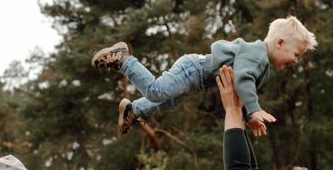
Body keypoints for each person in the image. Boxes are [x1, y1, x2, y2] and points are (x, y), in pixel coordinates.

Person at [91, 16, 316, 136]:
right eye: (296, 54)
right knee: (157, 91)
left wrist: (249, 116)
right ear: (279, 43)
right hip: (193, 69)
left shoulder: (262, 66)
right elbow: (243, 79)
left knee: (166, 103)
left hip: (197, 80)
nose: (296, 60)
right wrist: (255, 109)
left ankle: (133, 110)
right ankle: (123, 59)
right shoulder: (257, 55)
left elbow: (242, 88)